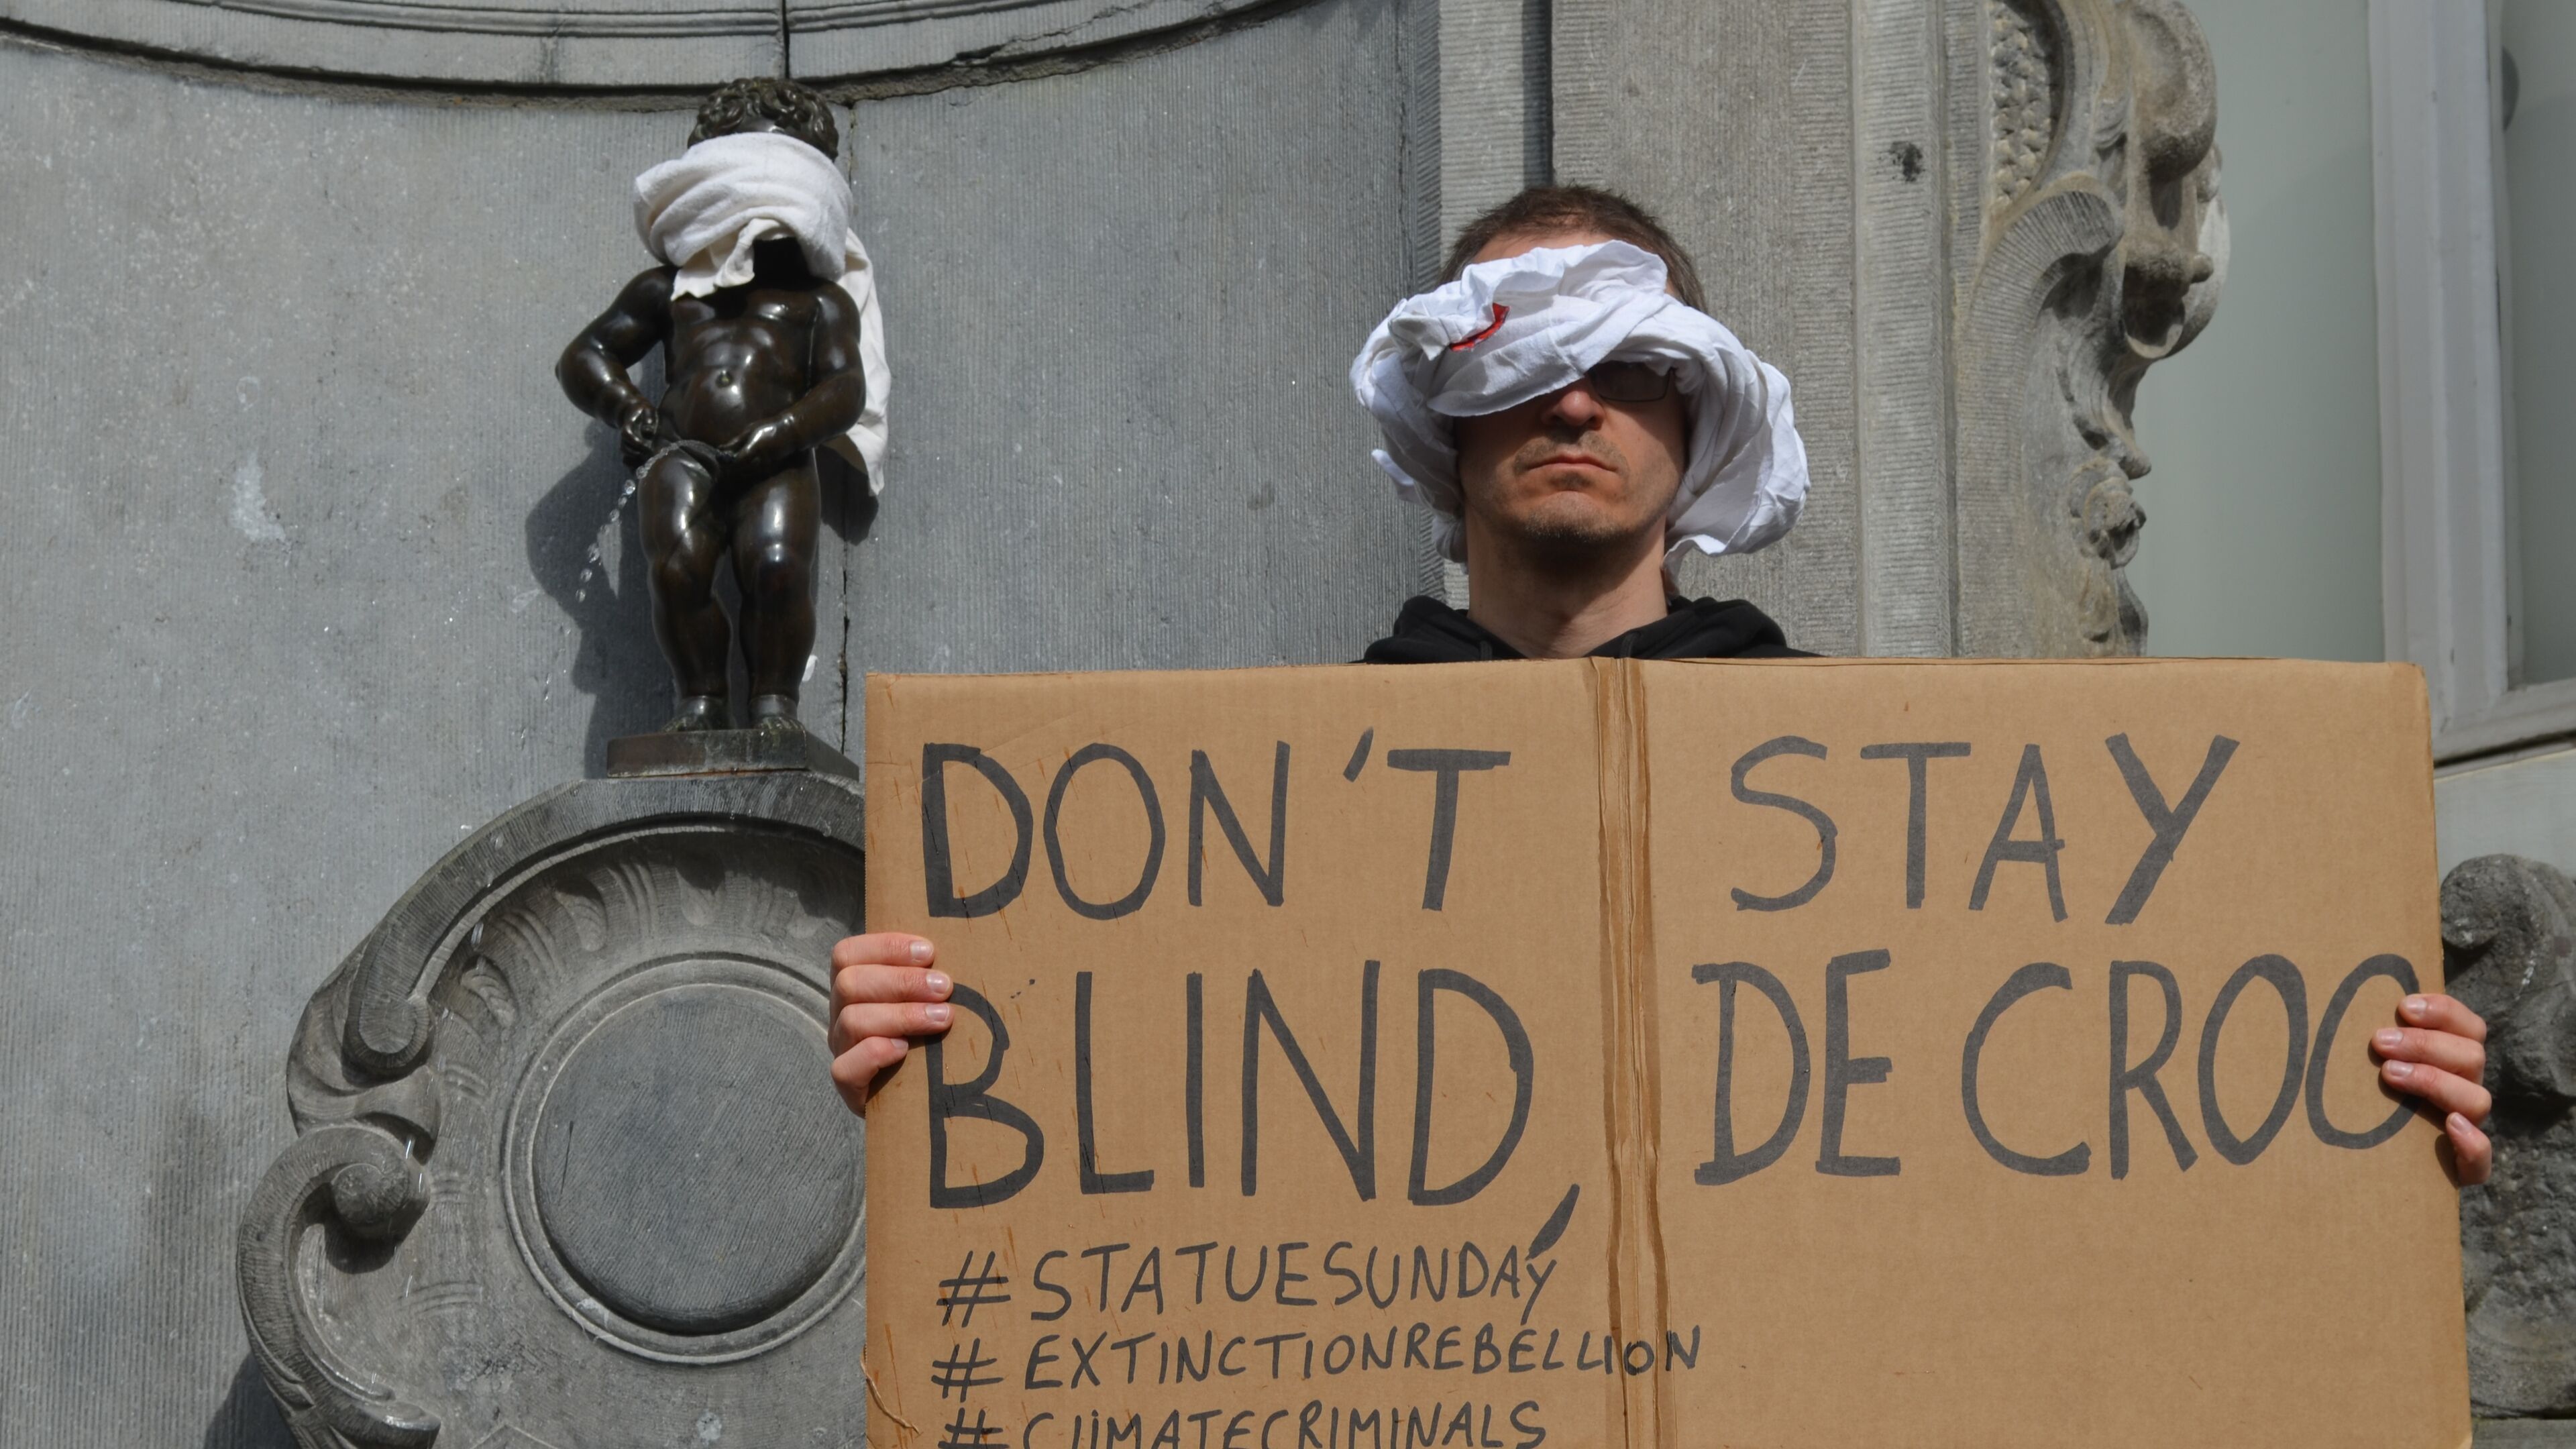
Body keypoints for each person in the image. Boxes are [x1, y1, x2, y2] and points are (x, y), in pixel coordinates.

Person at [822, 184, 2497, 1185]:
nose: (1574, 406)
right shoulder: (1277, 812)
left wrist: (2345, 1086)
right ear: (1445, 416)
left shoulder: (1858, 784)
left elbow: (2056, 1098)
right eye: (1525, 363)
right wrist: (958, 1033)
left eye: (1630, 365)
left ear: (1698, 418)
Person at [557, 77, 890, 735]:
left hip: (779, 458)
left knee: (778, 567)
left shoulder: (819, 303)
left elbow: (845, 389)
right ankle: (700, 700)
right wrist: (628, 408)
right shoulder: (672, 290)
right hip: (682, 451)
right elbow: (585, 356)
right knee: (676, 571)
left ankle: (775, 705)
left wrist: (782, 433)